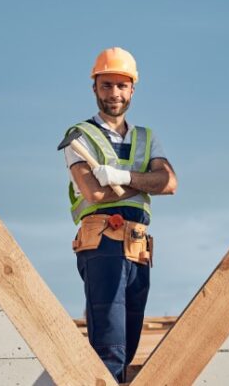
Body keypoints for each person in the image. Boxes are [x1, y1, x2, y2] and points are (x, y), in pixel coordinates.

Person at [63, 46, 177, 381]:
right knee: (109, 347)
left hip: (138, 249)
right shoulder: (80, 136)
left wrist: (123, 177)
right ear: (95, 87)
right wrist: (144, 184)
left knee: (128, 344)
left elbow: (169, 182)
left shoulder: (146, 138)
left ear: (132, 89)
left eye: (121, 85)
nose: (115, 93)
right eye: (107, 85)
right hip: (103, 246)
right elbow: (95, 193)